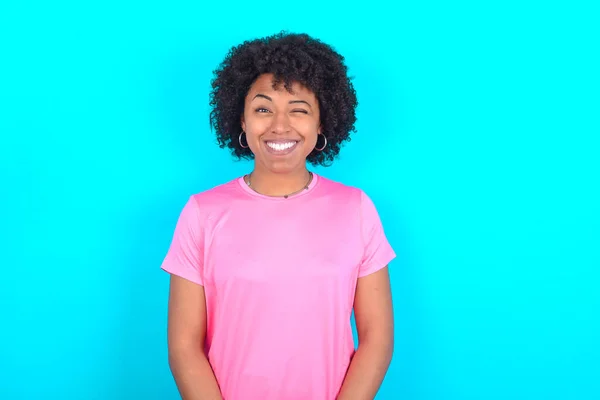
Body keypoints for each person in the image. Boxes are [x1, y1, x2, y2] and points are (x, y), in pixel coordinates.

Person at [161, 31, 396, 400]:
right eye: (263, 108)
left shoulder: (357, 209)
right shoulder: (201, 213)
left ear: (322, 123)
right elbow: (183, 346)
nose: (280, 125)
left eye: (299, 109)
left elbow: (377, 338)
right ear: (241, 119)